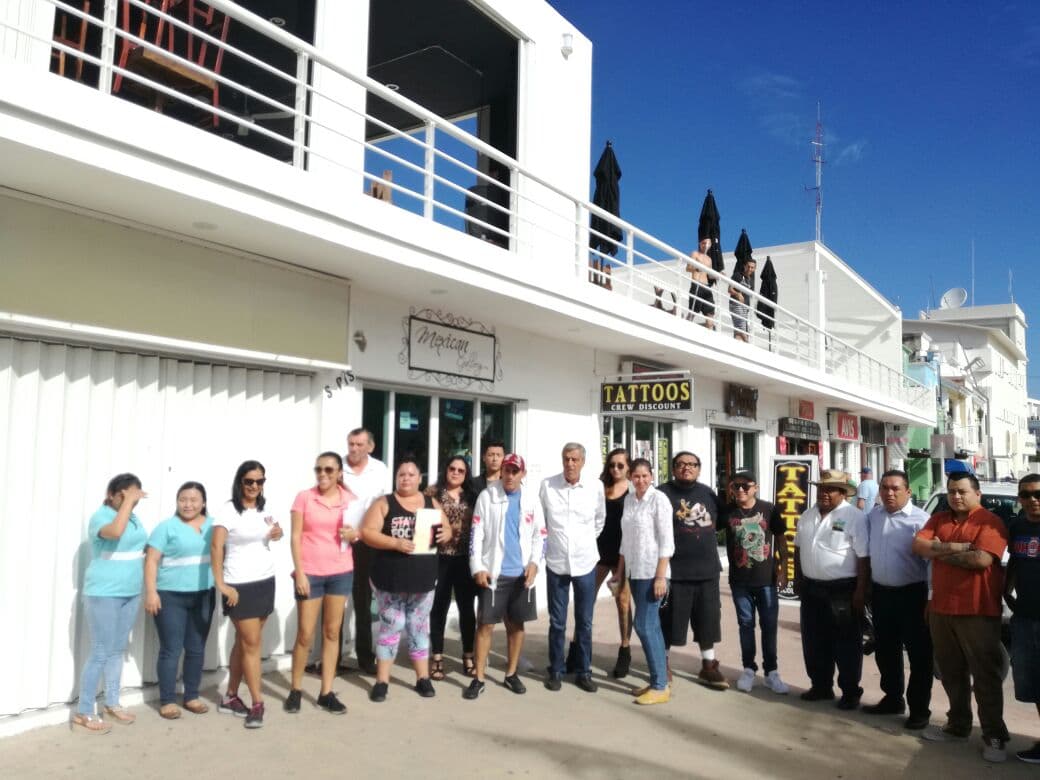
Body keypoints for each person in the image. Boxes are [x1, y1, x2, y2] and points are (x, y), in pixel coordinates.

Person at [913, 472, 1010, 762]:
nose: (956, 496)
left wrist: (937, 551)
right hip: (941, 608)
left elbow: (981, 559)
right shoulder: (939, 519)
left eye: (962, 491)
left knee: (985, 675)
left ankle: (994, 735)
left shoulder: (990, 522)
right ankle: (957, 726)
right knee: (951, 672)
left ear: (977, 494)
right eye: (952, 491)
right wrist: (956, 548)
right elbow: (917, 546)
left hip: (977, 610)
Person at [360, 457, 451, 703]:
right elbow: (367, 533)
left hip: (423, 579)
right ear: (396, 478)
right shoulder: (384, 502)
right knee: (392, 626)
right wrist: (395, 543)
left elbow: (447, 529)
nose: (406, 478)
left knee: (419, 627)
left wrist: (445, 533)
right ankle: (382, 681)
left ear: (419, 478)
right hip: (390, 579)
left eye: (411, 474)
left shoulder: (431, 503)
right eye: (402, 474)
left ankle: (423, 678)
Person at [464, 453, 546, 700]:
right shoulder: (487, 496)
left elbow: (540, 535)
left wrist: (534, 564)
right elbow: (476, 534)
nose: (509, 476)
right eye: (506, 470)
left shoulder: (531, 499)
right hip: (493, 573)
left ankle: (511, 674)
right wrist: (477, 567)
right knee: (485, 625)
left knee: (516, 625)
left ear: (523, 474)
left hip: (521, 575)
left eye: (514, 471)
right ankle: (479, 678)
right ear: (501, 472)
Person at [72, 474, 148, 733]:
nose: (131, 502)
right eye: (125, 496)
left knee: (116, 650)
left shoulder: (134, 518)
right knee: (100, 651)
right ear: (112, 494)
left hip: (131, 592)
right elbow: (115, 533)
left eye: (135, 498)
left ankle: (112, 702)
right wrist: (128, 502)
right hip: (104, 593)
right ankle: (84, 711)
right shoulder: (101, 517)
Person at [211, 460, 283, 729]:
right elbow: (216, 547)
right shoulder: (228, 510)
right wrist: (221, 584)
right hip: (238, 585)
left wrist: (278, 533)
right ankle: (257, 702)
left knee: (244, 642)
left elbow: (273, 532)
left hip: (265, 580)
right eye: (249, 481)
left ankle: (230, 696)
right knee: (252, 644)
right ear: (240, 481)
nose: (254, 486)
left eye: (259, 481)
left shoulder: (265, 508)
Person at [285, 452, 358, 716]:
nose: (323, 474)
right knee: (305, 634)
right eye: (319, 469)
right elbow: (295, 537)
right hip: (311, 573)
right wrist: (300, 573)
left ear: (339, 473)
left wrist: (355, 534)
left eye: (329, 469)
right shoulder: (304, 497)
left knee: (332, 633)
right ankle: (295, 689)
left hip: (340, 572)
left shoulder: (351, 501)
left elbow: (358, 534)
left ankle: (326, 692)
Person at [859, 470, 933, 729]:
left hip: (913, 595)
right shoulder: (873, 516)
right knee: (886, 650)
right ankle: (892, 698)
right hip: (882, 594)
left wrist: (931, 597)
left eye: (895, 488)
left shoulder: (921, 520)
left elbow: (931, 564)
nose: (889, 493)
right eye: (884, 488)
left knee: (919, 654)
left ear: (908, 491)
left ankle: (919, 709)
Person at [793, 469, 868, 709]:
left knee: (846, 643)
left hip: (842, 590)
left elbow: (863, 557)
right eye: (821, 489)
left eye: (831, 490)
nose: (824, 493)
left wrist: (861, 591)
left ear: (843, 493)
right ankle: (821, 686)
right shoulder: (807, 515)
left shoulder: (854, 517)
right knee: (814, 641)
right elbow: (798, 547)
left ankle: (850, 691)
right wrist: (797, 578)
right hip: (812, 588)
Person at [143, 481, 215, 720]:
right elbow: (151, 560)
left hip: (204, 595)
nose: (188, 504)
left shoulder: (214, 526)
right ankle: (167, 700)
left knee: (196, 648)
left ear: (203, 503)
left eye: (194, 500)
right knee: (171, 649)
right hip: (170, 596)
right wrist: (151, 592)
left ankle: (191, 695)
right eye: (183, 499)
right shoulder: (166, 527)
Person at [657, 451, 727, 689]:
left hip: (707, 570)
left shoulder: (708, 493)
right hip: (674, 572)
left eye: (692, 464)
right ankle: (662, 663)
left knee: (708, 620)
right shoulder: (662, 493)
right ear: (673, 468)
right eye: (681, 464)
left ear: (699, 468)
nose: (686, 468)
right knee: (668, 621)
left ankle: (708, 666)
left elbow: (720, 522)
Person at [540, 443, 606, 692]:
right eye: (566, 459)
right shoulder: (547, 486)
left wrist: (583, 542)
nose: (570, 463)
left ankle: (583, 671)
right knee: (557, 621)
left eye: (575, 459)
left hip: (585, 562)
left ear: (583, 462)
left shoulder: (595, 487)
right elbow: (543, 521)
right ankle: (556, 670)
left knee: (585, 622)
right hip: (557, 562)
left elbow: (599, 521)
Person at [719, 471, 790, 694]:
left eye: (745, 486)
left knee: (769, 626)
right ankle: (749, 669)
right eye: (735, 486)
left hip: (766, 580)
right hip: (739, 581)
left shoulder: (769, 509)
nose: (740, 490)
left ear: (755, 488)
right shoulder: (727, 511)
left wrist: (783, 570)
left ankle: (771, 672)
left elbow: (781, 540)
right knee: (746, 625)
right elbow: (707, 530)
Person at [612, 458, 674, 704]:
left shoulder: (659, 500)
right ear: (630, 477)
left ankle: (660, 685)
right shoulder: (629, 500)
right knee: (652, 627)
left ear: (652, 476)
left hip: (652, 572)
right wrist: (619, 572)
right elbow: (624, 541)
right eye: (636, 476)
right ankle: (658, 681)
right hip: (634, 571)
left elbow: (667, 541)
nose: (640, 480)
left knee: (644, 625)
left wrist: (661, 576)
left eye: (645, 476)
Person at [427, 456, 479, 679]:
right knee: (439, 607)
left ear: (466, 475)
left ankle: (468, 655)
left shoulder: (473, 496)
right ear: (445, 469)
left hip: (465, 560)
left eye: (461, 470)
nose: (456, 473)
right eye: (452, 468)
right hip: (440, 558)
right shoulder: (432, 493)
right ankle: (437, 657)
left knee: (467, 609)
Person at [343, 427, 390, 675]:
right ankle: (330, 657)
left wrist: (366, 533)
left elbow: (383, 504)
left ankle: (364, 656)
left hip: (367, 540)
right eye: (351, 444)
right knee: (335, 599)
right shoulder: (338, 466)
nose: (354, 449)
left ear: (370, 447)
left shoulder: (380, 469)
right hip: (340, 540)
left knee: (363, 599)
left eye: (359, 444)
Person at [1006, 473, 1040, 764]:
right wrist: (1006, 590)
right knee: (1034, 685)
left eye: (1038, 494)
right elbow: (1015, 562)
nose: (1033, 500)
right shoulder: (1017, 526)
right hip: (1025, 617)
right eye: (1026, 495)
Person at [595, 448, 634, 678]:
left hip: (622, 555)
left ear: (628, 467)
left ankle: (625, 649)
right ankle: (578, 647)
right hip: (598, 553)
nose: (615, 469)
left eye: (620, 465)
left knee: (623, 602)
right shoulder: (600, 488)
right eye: (612, 465)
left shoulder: (633, 491)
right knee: (586, 599)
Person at [686, 237, 715, 330]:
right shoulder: (695, 254)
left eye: (707, 243)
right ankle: (684, 329)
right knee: (692, 312)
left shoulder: (709, 259)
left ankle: (709, 336)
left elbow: (710, 275)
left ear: (710, 245)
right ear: (700, 244)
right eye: (703, 243)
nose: (705, 245)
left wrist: (718, 275)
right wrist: (697, 267)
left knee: (710, 314)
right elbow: (688, 268)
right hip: (697, 284)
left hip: (706, 287)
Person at [728, 256, 756, 343]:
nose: (750, 269)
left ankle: (736, 347)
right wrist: (737, 294)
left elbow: (750, 295)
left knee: (740, 331)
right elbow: (729, 289)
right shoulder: (738, 275)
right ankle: (749, 345)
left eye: (752, 267)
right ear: (745, 266)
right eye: (748, 266)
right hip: (736, 304)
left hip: (745, 308)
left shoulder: (751, 280)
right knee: (741, 329)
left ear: (755, 269)